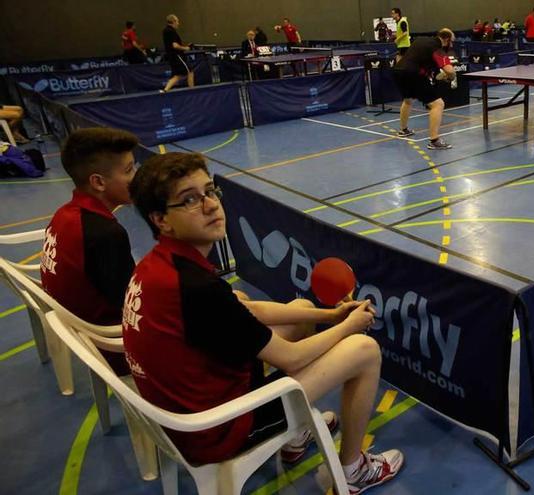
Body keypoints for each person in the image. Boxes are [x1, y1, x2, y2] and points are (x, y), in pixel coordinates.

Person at [123, 152, 404, 492]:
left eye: (210, 191)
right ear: (161, 220)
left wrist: (328, 315)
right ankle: (353, 470)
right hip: (217, 427)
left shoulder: (159, 264)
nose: (211, 205)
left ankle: (294, 438)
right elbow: (292, 358)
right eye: (190, 200)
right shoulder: (196, 288)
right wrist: (347, 326)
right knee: (363, 350)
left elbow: (246, 310)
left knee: (299, 308)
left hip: (186, 409)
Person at [41, 128, 140, 374]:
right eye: (128, 170)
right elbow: (135, 306)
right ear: (98, 182)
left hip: (77, 326)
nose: (137, 177)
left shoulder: (65, 213)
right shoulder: (104, 234)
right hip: (112, 344)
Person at [391, 28, 456, 150]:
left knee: (408, 100)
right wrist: (452, 76)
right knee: (438, 104)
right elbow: (449, 70)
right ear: (446, 39)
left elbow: (431, 68)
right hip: (413, 74)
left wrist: (440, 75)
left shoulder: (421, 40)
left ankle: (403, 130)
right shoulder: (437, 48)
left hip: (398, 71)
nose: (451, 45)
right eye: (451, 42)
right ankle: (434, 141)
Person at [161, 15, 194, 93]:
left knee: (177, 75)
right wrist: (186, 48)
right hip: (177, 56)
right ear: (173, 22)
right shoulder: (171, 31)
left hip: (171, 56)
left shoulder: (165, 30)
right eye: (177, 21)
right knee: (190, 71)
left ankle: (165, 90)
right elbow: (175, 45)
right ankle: (193, 91)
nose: (178, 23)